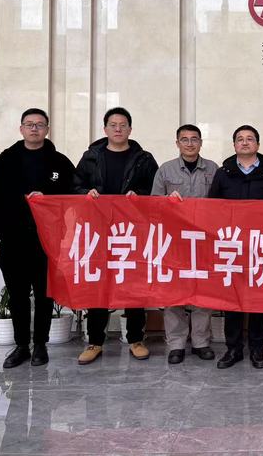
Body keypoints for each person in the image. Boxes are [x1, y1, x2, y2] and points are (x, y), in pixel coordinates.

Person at [0, 108, 75, 368]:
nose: (34, 129)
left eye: (40, 124)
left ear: (47, 129)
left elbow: (72, 197)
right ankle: (21, 345)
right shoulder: (5, 160)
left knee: (44, 294)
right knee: (18, 295)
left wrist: (47, 197)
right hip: (13, 236)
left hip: (47, 239)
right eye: (29, 124)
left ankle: (40, 345)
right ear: (21, 128)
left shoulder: (59, 163)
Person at [73, 107, 158, 365]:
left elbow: (156, 191)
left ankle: (136, 339)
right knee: (99, 285)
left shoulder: (144, 158)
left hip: (132, 232)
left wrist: (139, 195)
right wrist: (86, 193)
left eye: (123, 125)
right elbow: (74, 185)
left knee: (133, 283)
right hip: (99, 231)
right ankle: (95, 342)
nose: (118, 129)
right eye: (113, 124)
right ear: (105, 129)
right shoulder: (91, 157)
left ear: (130, 129)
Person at [208, 124, 263, 369]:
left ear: (258, 145)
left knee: (259, 300)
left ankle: (257, 349)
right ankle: (233, 349)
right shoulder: (223, 174)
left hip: (260, 247)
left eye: (250, 139)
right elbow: (212, 208)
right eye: (240, 139)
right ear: (234, 145)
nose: (244, 142)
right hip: (232, 246)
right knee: (232, 300)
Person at [151, 124, 219, 364]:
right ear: (177, 143)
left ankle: (201, 342)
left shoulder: (213, 169)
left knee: (203, 290)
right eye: (184, 139)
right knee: (174, 292)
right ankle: (176, 343)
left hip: (204, 240)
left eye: (194, 139)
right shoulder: (165, 169)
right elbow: (153, 204)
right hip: (174, 241)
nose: (190, 144)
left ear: (201, 143)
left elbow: (222, 204)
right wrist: (166, 201)